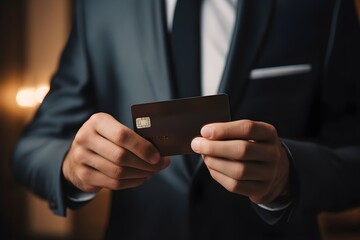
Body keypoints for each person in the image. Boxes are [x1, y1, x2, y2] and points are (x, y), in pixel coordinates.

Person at [12, 0, 360, 239]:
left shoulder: (321, 6)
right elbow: (33, 145)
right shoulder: (102, 6)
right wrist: (70, 167)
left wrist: (289, 176)